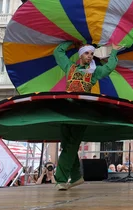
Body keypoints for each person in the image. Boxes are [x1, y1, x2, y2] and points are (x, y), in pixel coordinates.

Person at [52, 41, 123, 190]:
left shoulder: (93, 73)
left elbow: (109, 67)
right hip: (67, 111)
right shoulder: (69, 67)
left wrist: (114, 51)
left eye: (92, 54)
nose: (90, 56)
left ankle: (61, 179)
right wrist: (71, 43)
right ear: (80, 55)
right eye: (87, 53)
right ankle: (76, 177)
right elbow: (58, 52)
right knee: (66, 145)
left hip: (82, 112)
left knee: (71, 145)